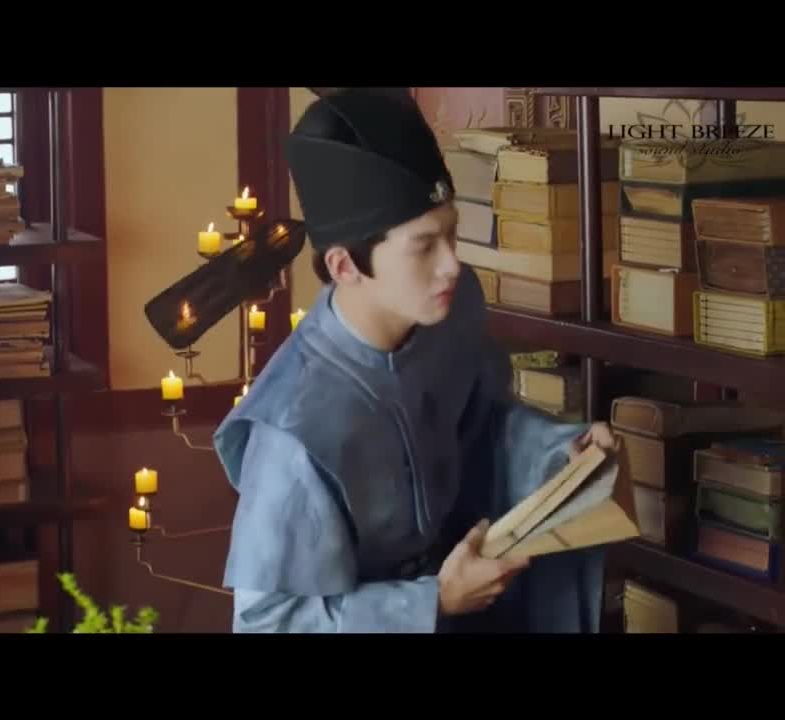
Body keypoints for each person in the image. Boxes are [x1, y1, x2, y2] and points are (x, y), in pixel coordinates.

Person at [214, 88, 617, 633]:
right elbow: (266, 623)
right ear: (344, 266)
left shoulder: (450, 310)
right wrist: (433, 602)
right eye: (424, 246)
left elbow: (484, 424)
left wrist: (561, 451)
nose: (452, 265)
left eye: (452, 233)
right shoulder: (294, 431)